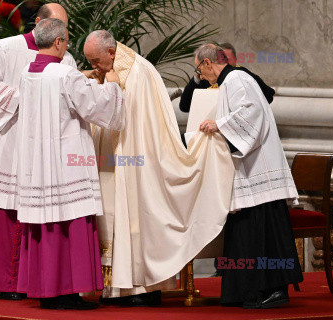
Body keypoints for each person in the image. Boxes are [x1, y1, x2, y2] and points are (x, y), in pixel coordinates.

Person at [83, 31, 235, 307]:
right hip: (111, 161)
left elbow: (140, 127)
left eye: (95, 61)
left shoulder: (139, 72)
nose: (94, 66)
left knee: (134, 215)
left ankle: (140, 286)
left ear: (111, 52)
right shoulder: (110, 70)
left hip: (135, 162)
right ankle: (115, 288)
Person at [14, 18, 124, 310]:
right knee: (70, 224)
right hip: (66, 164)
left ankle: (48, 291)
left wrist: (81, 78)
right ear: (60, 42)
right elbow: (95, 107)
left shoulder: (26, 72)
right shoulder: (65, 74)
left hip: (37, 165)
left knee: (46, 227)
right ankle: (69, 293)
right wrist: (111, 86)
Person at [0, 3, 77, 300]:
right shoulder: (5, 47)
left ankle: (37, 281)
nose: (62, 34)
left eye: (66, 28)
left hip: (44, 146)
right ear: (39, 21)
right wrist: (27, 98)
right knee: (5, 210)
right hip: (9, 140)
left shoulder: (66, 57)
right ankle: (6, 283)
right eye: (57, 24)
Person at [196, 43, 303, 308]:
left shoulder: (236, 79)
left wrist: (219, 124)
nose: (199, 77)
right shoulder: (232, 80)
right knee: (254, 233)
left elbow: (251, 113)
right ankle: (252, 291)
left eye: (199, 69)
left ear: (209, 63)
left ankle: (273, 290)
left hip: (259, 171)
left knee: (262, 234)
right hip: (253, 170)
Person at [179, 42, 275, 113]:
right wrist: (198, 74)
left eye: (226, 59)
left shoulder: (240, 75)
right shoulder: (207, 78)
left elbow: (266, 96)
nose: (224, 63)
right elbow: (184, 107)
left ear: (235, 59)